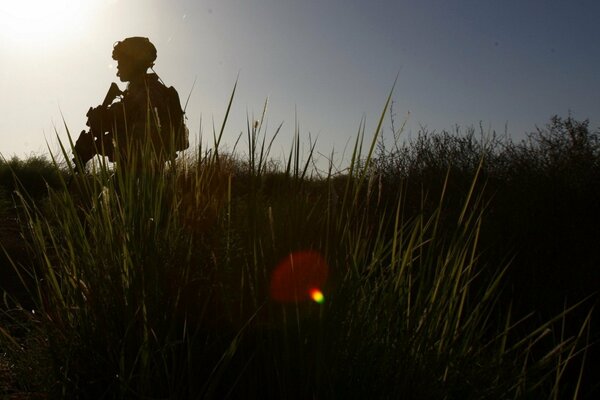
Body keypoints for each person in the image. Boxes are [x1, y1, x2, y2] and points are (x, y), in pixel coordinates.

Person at [73, 36, 189, 172]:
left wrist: (97, 146)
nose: (118, 65)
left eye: (122, 60)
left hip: (145, 179)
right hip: (133, 174)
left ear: (134, 61)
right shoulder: (135, 93)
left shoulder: (148, 92)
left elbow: (146, 144)